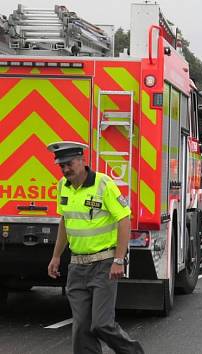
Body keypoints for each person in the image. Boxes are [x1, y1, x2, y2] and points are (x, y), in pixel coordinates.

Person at [46, 141, 144, 354]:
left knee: (101, 324)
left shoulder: (103, 184)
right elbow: (65, 221)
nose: (65, 170)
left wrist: (119, 259)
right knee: (81, 328)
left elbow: (124, 219)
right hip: (77, 267)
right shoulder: (63, 186)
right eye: (61, 166)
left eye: (69, 164)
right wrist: (56, 257)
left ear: (82, 161)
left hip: (104, 265)